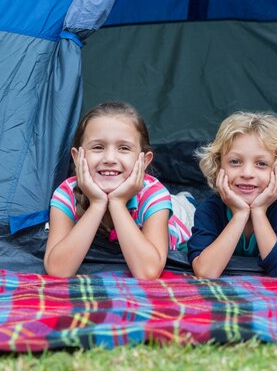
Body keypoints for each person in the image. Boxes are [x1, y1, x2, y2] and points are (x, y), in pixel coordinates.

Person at [45, 101, 189, 279]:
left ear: (144, 160)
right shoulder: (65, 193)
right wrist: (97, 204)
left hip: (178, 221)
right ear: (77, 157)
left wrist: (118, 203)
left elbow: (148, 272)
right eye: (98, 147)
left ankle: (185, 200)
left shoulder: (154, 195)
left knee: (184, 207)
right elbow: (57, 269)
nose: (110, 158)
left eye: (124, 148)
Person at [188, 111, 277, 279]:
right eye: (235, 162)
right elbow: (205, 272)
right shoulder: (210, 209)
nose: (247, 173)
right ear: (218, 166)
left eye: (261, 163)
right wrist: (240, 214)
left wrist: (258, 211)